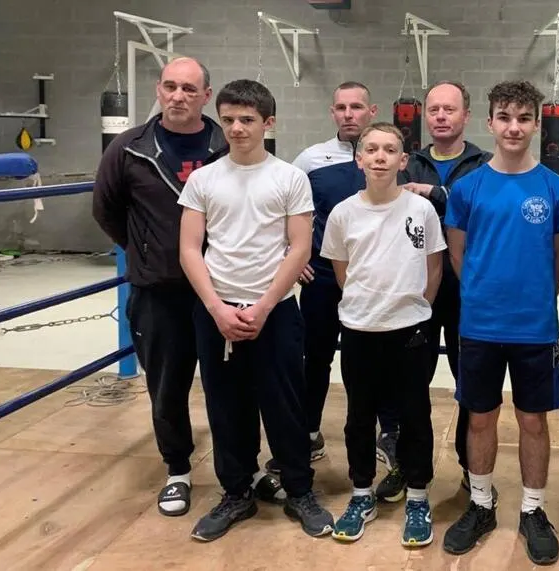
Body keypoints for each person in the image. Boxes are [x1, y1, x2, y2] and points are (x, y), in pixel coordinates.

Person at [92, 57, 282, 518]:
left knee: (236, 388)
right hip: (160, 292)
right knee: (167, 386)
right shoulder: (128, 148)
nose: (178, 96)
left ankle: (246, 468)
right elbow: (106, 209)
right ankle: (177, 469)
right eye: (171, 86)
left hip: (227, 289)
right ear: (159, 90)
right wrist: (146, 250)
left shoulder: (228, 141)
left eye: (189, 89)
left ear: (205, 95)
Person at [177, 78, 335, 541]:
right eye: (228, 119)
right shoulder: (204, 179)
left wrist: (264, 306)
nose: (237, 128)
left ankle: (299, 490)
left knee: (285, 404)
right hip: (217, 311)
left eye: (247, 119)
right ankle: (236, 492)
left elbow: (300, 248)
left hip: (276, 310)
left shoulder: (289, 177)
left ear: (269, 123)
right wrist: (216, 309)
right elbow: (189, 248)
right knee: (226, 405)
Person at [442, 80, 559, 565]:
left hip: (535, 327)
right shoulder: (467, 188)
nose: (513, 127)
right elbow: (458, 255)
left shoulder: (556, 190)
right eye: (505, 117)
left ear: (537, 124)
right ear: (490, 122)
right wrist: (484, 296)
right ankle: (481, 503)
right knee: (480, 417)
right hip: (480, 325)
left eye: (523, 118)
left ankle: (533, 510)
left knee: (533, 420)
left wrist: (532, 301)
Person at [320, 122, 445, 547]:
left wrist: (416, 311)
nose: (379, 157)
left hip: (409, 331)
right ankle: (361, 494)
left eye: (389, 150)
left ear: (403, 160)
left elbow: (433, 268)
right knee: (359, 417)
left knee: (415, 416)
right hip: (359, 329)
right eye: (371, 149)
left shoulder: (421, 210)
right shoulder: (343, 213)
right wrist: (366, 307)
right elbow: (342, 272)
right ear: (359, 159)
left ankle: (417, 496)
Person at [376, 80, 492, 502]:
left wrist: (436, 194)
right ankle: (408, 467)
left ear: (466, 116)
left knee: (470, 384)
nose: (441, 116)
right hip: (416, 289)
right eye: (434, 109)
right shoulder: (409, 163)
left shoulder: (485, 165)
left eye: (450, 109)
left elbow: (483, 210)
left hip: (466, 289)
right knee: (408, 383)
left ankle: (471, 467)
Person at [287, 81, 400, 472]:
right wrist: (290, 254)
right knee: (315, 357)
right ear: (332, 112)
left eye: (356, 107)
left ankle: (389, 432)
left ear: (372, 111)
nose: (348, 114)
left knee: (381, 358)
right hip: (321, 277)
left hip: (376, 278)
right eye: (341, 107)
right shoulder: (310, 159)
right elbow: (285, 209)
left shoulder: (387, 154)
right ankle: (308, 432)